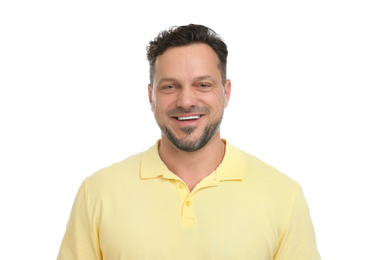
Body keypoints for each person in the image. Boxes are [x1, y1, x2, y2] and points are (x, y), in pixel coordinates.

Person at [57, 24, 320, 259]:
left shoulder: (284, 196)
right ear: (151, 96)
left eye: (203, 85)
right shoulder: (98, 193)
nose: (186, 101)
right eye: (170, 87)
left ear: (226, 93)